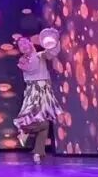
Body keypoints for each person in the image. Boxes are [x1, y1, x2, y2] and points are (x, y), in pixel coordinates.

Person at [14, 34, 63, 165]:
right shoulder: (23, 60)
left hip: (45, 90)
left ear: (30, 43)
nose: (23, 46)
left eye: (25, 42)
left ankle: (38, 152)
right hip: (33, 91)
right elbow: (31, 68)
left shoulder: (41, 55)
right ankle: (24, 130)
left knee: (45, 123)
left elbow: (52, 52)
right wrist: (34, 54)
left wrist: (54, 39)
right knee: (26, 119)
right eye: (20, 45)